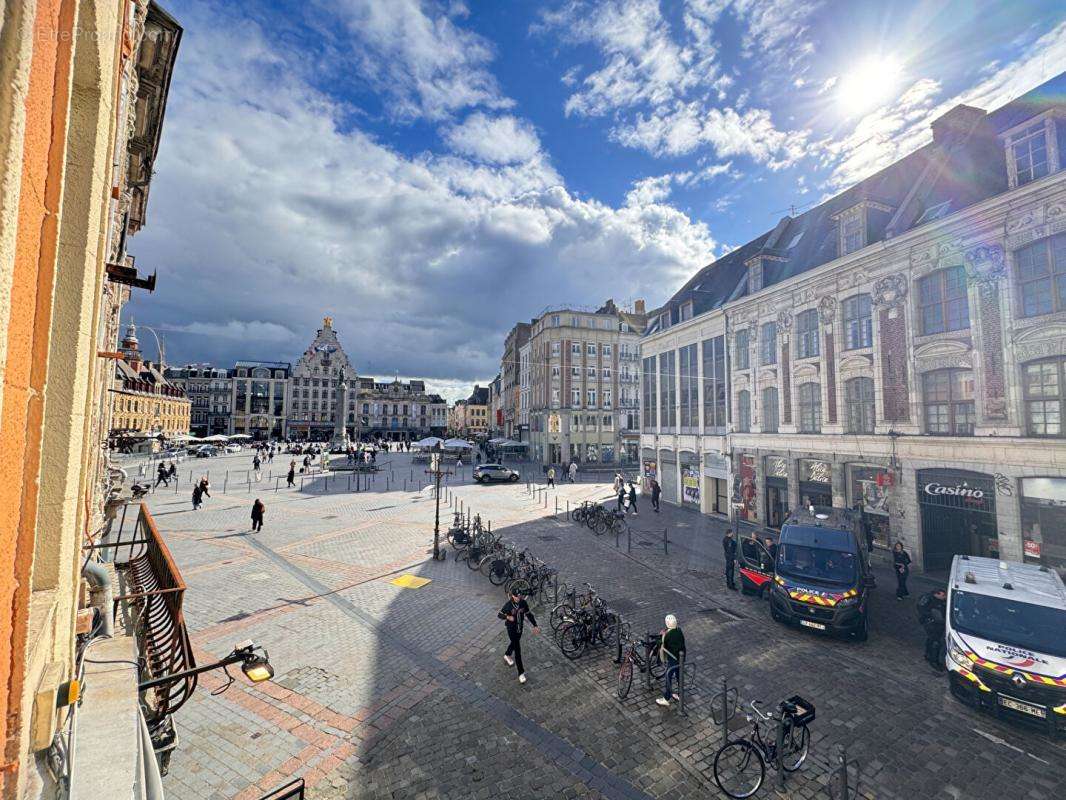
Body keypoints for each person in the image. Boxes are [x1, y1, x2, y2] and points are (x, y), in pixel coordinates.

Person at [498, 589, 539, 684]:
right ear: (513, 596)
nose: (518, 598)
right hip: (511, 629)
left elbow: (529, 614)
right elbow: (499, 615)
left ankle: (507, 654)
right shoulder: (508, 605)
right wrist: (507, 617)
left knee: (514, 643)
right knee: (517, 650)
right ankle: (521, 673)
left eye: (519, 596)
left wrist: (535, 625)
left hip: (519, 628)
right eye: (516, 596)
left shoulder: (523, 603)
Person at [655, 614, 686, 707]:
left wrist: (660, 637)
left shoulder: (668, 635)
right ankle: (680, 695)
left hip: (673, 658)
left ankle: (666, 698)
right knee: (679, 676)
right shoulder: (679, 630)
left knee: (668, 676)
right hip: (681, 658)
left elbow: (661, 644)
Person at [917, 588, 947, 670]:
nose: (944, 597)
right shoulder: (927, 598)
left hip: (939, 623)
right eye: (943, 595)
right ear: (936, 594)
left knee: (931, 639)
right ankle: (933, 660)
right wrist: (931, 616)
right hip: (931, 623)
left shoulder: (943, 600)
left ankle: (928, 654)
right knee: (936, 642)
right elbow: (921, 609)